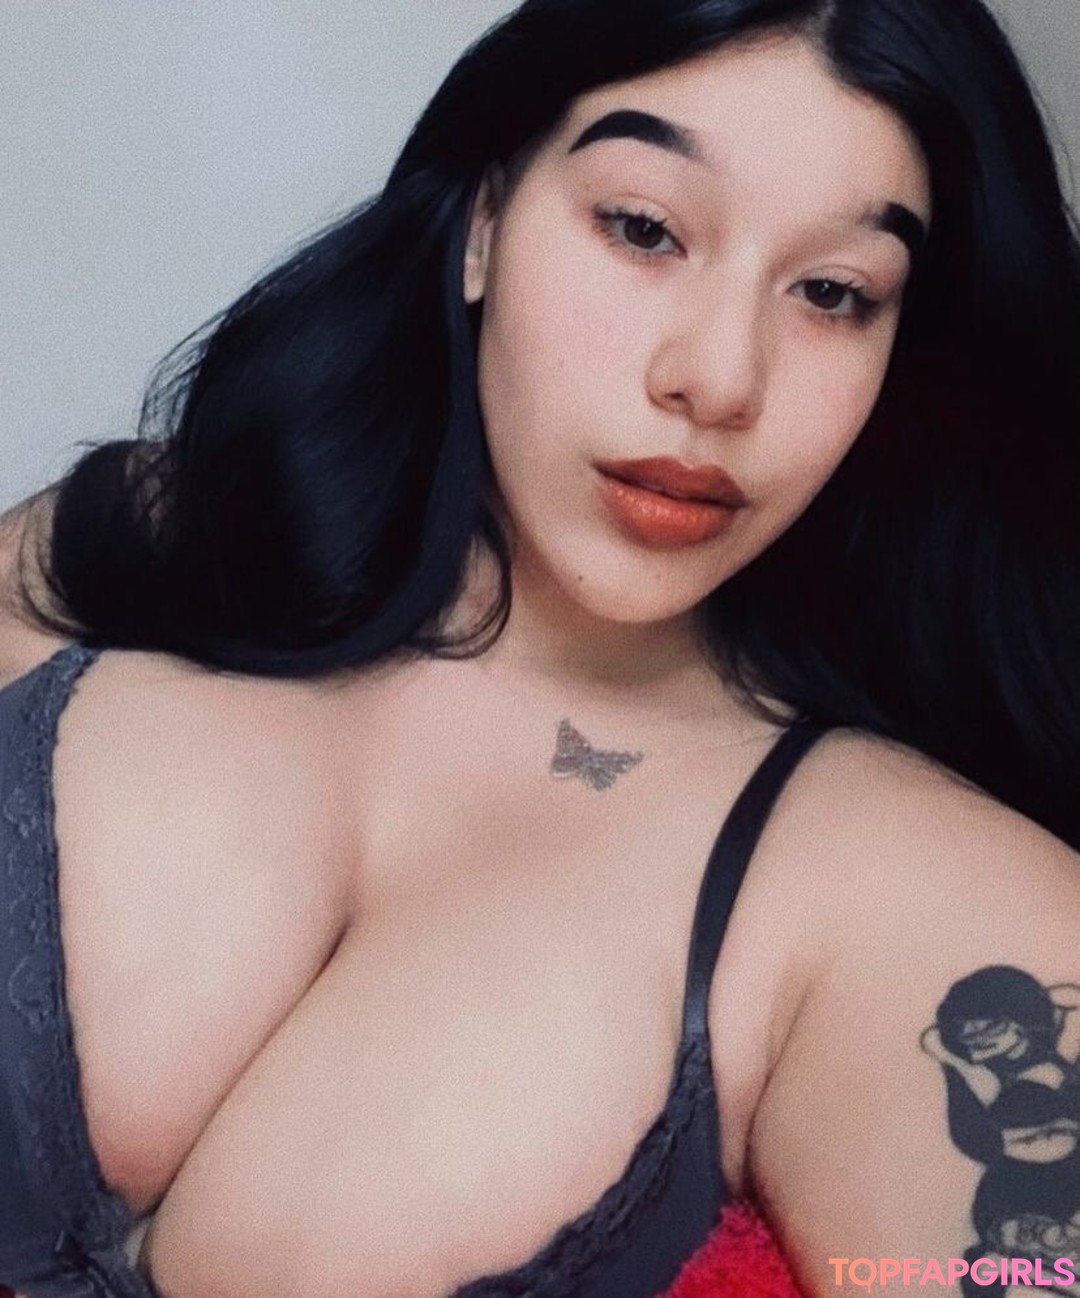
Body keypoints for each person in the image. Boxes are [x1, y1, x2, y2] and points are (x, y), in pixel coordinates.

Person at [1, 0, 1078, 1295]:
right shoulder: (130, 543)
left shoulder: (916, 888)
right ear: (485, 221)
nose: (717, 378)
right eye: (645, 228)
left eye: (834, 293)